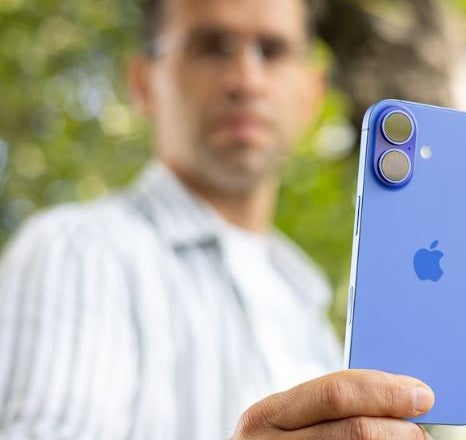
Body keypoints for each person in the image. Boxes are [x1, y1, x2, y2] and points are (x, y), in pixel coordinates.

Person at [0, 0, 435, 438]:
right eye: (212, 47)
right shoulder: (77, 252)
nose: (247, 80)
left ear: (312, 90)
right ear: (144, 82)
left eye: (273, 50)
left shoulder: (307, 306)